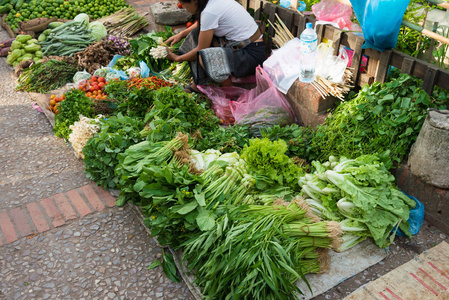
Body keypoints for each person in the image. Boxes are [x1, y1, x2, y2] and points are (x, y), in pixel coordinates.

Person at [165, 0, 266, 93]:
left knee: (205, 57)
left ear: (194, 0)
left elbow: (201, 49)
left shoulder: (209, 12)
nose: (181, 6)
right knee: (196, 33)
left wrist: (177, 58)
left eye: (183, 3)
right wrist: (181, 34)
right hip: (242, 46)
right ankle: (199, 83)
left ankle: (233, 93)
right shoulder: (210, 3)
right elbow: (203, 24)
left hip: (252, 55)